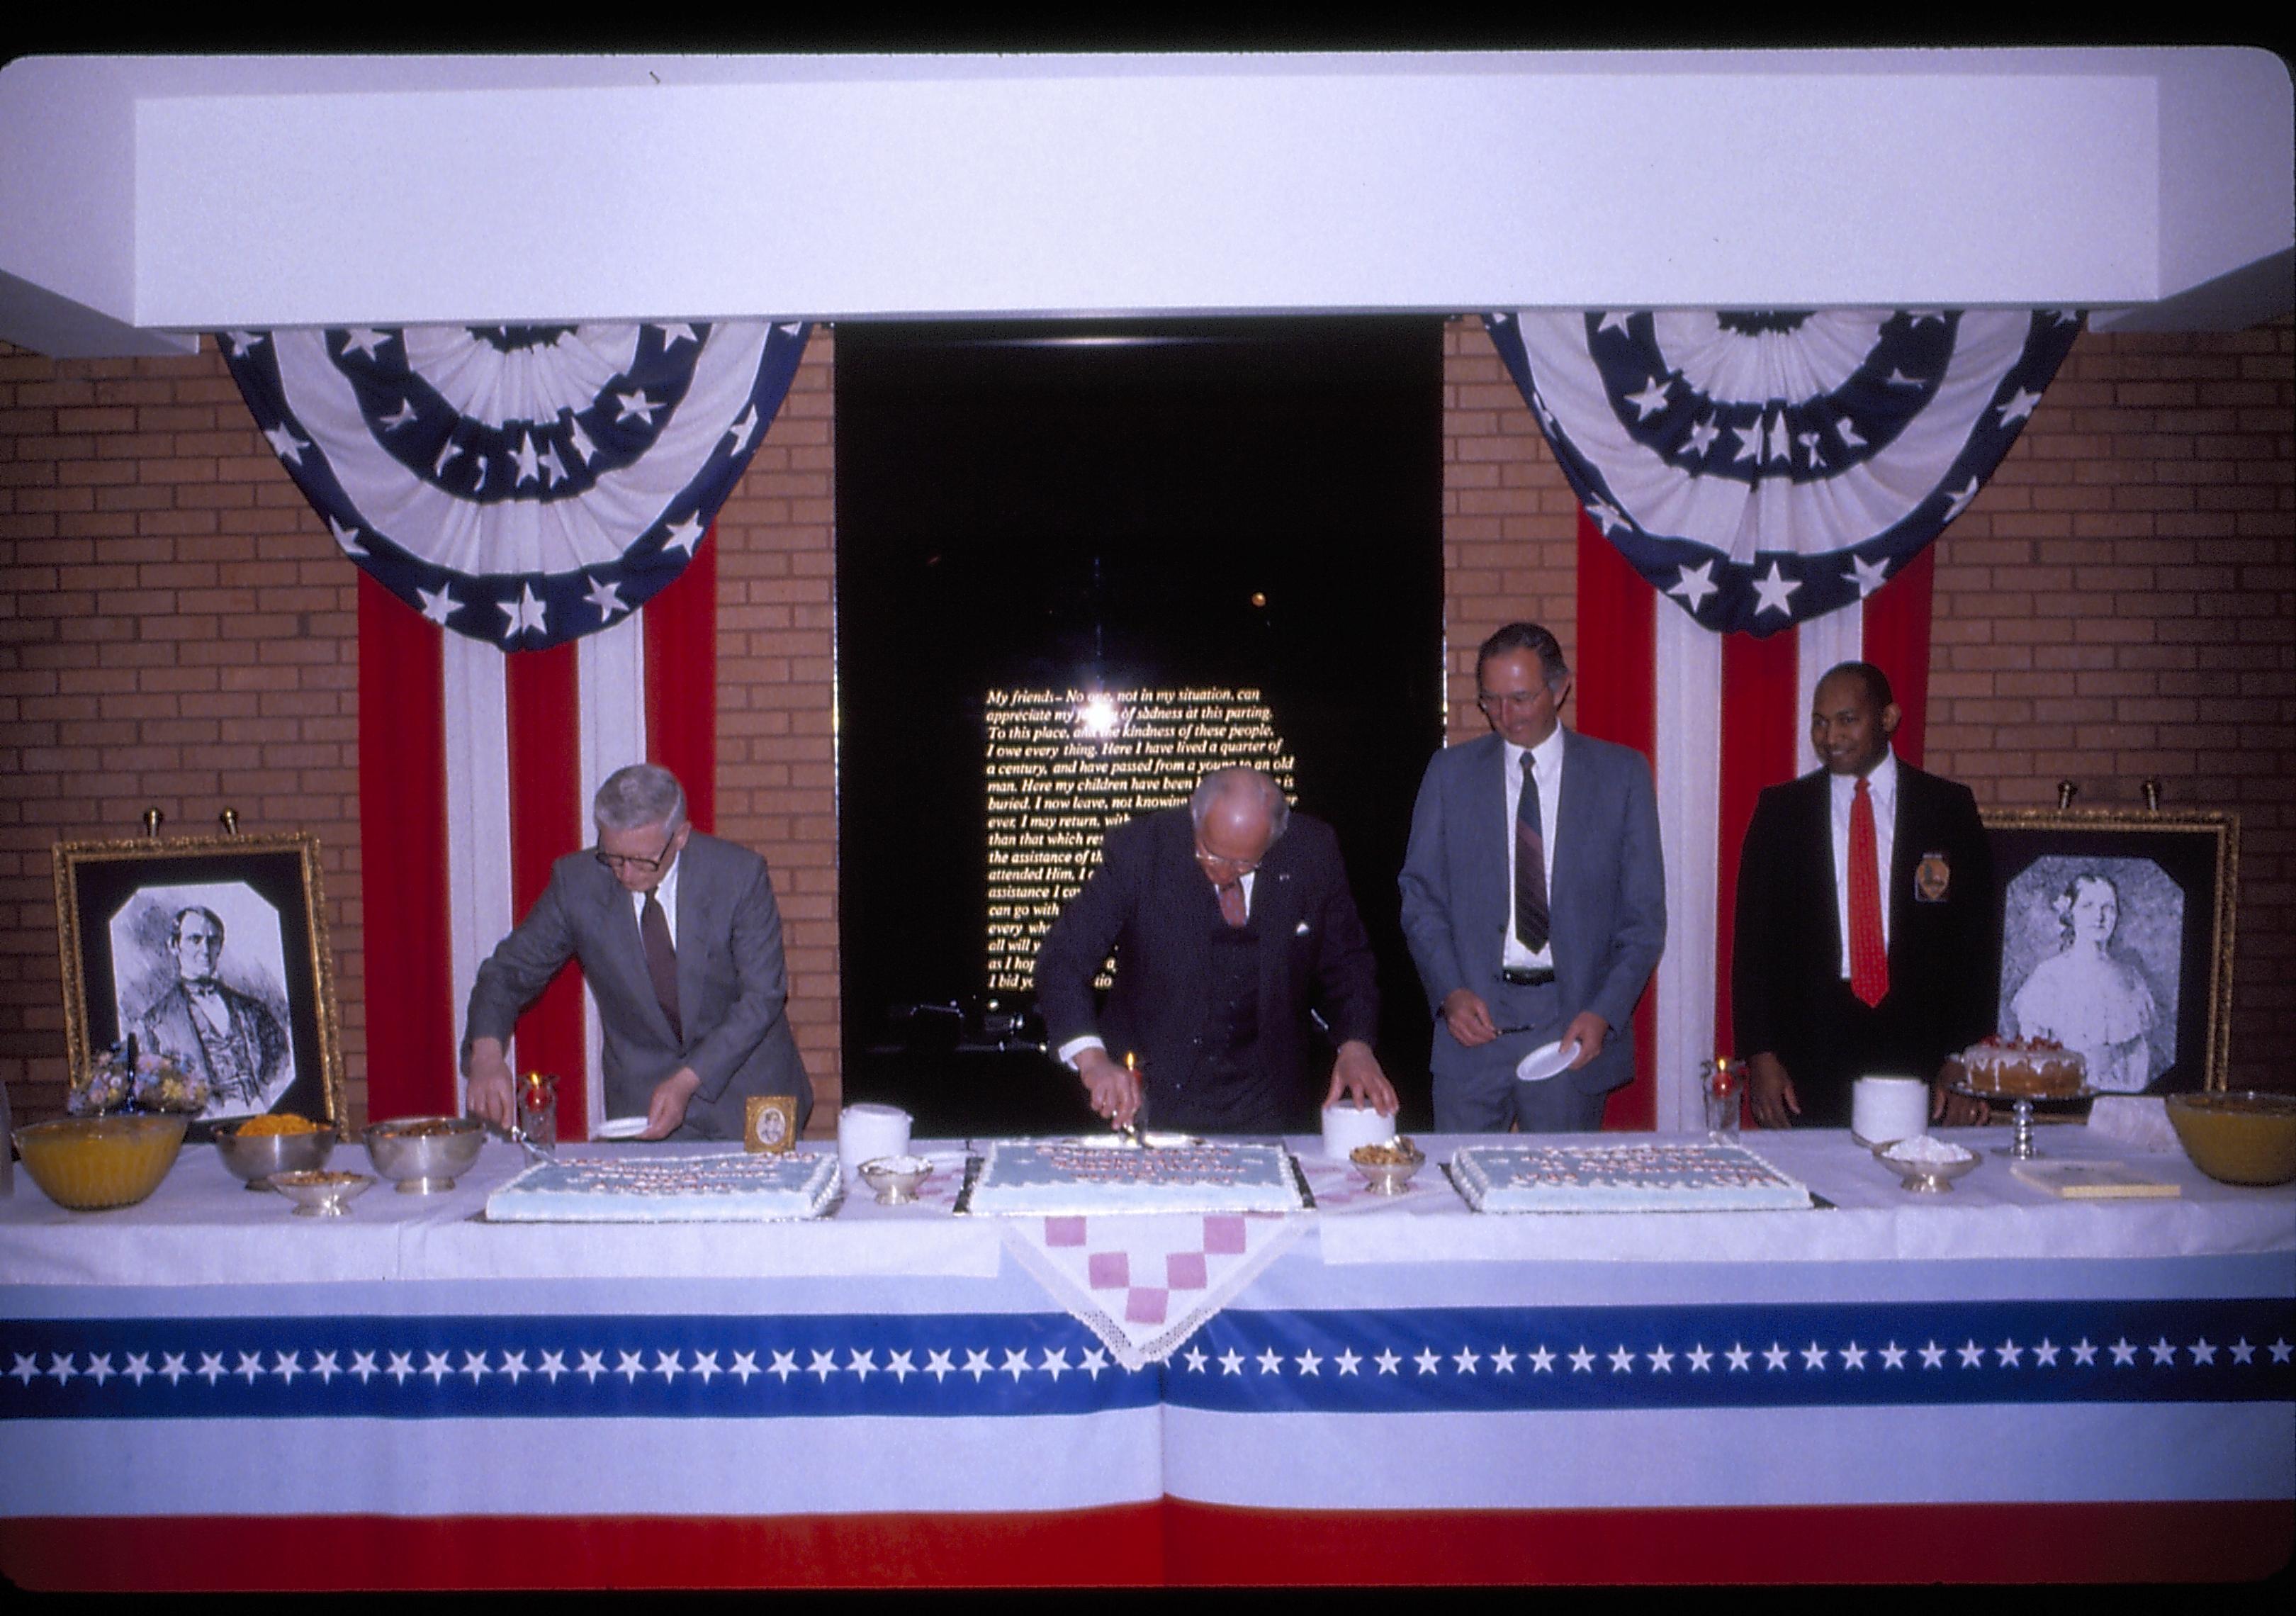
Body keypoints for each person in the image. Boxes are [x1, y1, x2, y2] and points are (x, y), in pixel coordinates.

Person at [1398, 622, 1665, 1132]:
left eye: (1521, 698)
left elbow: (1643, 919)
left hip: (1568, 1028)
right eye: (1491, 700)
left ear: (1561, 688)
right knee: (1459, 1193)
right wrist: (1449, 990)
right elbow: (1419, 898)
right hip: (1470, 1034)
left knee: (1558, 1198)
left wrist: (1605, 1012)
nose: (1506, 716)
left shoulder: (1621, 775)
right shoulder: (1448, 774)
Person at [1035, 765, 1397, 1134]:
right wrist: (1093, 1060)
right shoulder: (1142, 850)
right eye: (1210, 855)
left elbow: (1347, 963)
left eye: (1243, 864)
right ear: (1196, 813)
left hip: (1267, 1097)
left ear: (1274, 838)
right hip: (1149, 1091)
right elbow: (1063, 960)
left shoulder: (1311, 851)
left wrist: (1356, 1044)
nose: (1224, 874)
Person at [463, 763, 811, 1140]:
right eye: (613, 857)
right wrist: (486, 1055)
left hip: (750, 1092)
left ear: (681, 836)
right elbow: (506, 973)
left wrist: (686, 1080)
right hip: (644, 1105)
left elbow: (763, 997)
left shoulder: (738, 876)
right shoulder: (577, 885)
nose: (626, 875)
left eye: (642, 861)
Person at [1733, 662, 1994, 1130]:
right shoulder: (1781, 812)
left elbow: (1977, 943)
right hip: (1813, 1040)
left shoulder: (1947, 808)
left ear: (1889, 718)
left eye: (1847, 719)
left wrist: (1965, 1058)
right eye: (1819, 721)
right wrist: (1763, 1056)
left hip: (1920, 1041)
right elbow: (1754, 947)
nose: (1830, 735)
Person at [2009, 871, 2160, 1092]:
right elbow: (2032, 1049)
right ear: (2071, 913)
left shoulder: (2130, 978)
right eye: (2088, 906)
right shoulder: (2049, 975)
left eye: (2108, 907)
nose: (2099, 916)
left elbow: (2137, 1057)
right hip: (2059, 1092)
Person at [135, 905, 292, 1113]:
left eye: (213, 940)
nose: (206, 950)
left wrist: (265, 1097)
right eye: (195, 940)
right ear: (174, 945)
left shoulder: (253, 1010)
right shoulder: (154, 1024)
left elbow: (283, 1065)